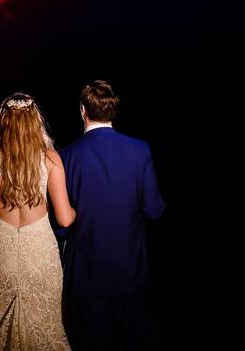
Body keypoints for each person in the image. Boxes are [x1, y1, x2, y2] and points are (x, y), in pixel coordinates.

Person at [59, 80, 165, 350]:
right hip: (132, 270)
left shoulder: (67, 156)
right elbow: (154, 210)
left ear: (83, 111)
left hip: (87, 273)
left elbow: (61, 224)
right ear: (113, 111)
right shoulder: (140, 150)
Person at [0, 93, 75, 350]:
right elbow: (64, 218)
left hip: (2, 254)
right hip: (39, 255)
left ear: (2, 122)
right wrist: (77, 212)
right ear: (34, 123)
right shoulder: (49, 159)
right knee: (46, 327)